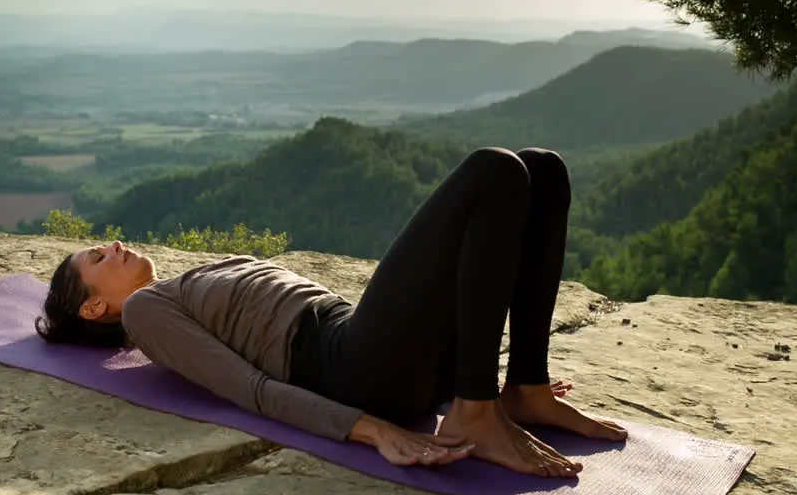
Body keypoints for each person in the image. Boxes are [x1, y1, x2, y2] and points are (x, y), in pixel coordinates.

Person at [36, 147, 627, 478]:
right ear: (93, 305)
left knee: (542, 171)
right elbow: (250, 389)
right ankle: (475, 413)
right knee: (492, 170)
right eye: (96, 255)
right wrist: (371, 430)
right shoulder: (144, 310)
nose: (111, 244)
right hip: (350, 366)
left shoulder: (186, 281)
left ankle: (522, 387)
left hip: (390, 356)